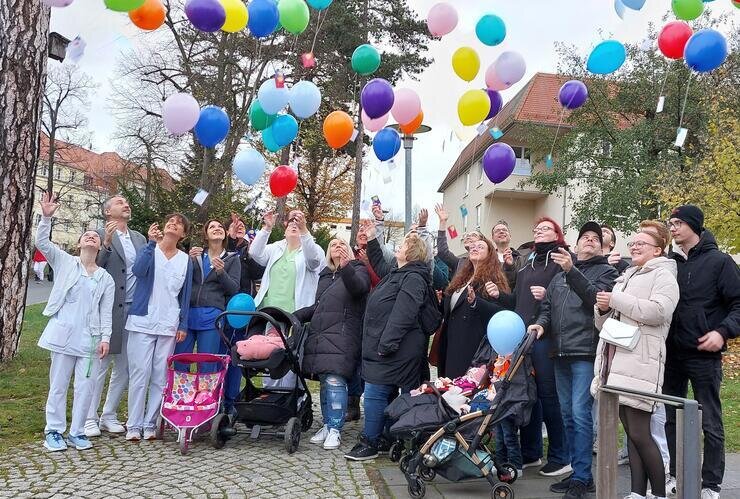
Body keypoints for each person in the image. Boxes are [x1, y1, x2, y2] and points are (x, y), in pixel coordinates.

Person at [529, 222, 618, 498]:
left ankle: (582, 478)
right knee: (568, 415)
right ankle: (580, 473)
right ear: (576, 244)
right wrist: (541, 325)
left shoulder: (608, 271)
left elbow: (596, 300)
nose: (589, 241)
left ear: (602, 247)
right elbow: (548, 307)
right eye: (585, 237)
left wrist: (571, 269)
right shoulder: (559, 276)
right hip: (560, 353)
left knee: (580, 416)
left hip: (585, 353)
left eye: (595, 238)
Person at [592, 222, 679, 499]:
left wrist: (616, 300)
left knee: (641, 432)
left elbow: (659, 312)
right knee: (631, 432)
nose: (634, 246)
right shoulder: (627, 275)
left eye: (642, 242)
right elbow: (606, 323)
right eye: (633, 242)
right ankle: (637, 493)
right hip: (618, 360)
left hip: (642, 361)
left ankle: (659, 492)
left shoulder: (664, 275)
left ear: (658, 249)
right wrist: (602, 309)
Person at [663, 205, 739, 499]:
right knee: (672, 419)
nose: (673, 227)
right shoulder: (669, 263)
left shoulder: (720, 262)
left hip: (704, 356)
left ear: (694, 225)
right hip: (671, 353)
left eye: (678, 222)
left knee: (710, 420)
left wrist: (722, 332)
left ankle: (711, 485)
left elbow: (738, 304)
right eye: (670, 223)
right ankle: (675, 476)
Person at [344, 231, 441, 461]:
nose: (399, 246)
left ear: (413, 252)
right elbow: (378, 262)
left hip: (397, 349)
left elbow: (404, 313)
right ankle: (387, 436)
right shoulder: (398, 273)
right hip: (389, 347)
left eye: (404, 243)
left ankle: (371, 441)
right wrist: (372, 238)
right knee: (382, 394)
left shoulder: (414, 277)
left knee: (376, 393)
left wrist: (386, 343)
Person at [35, 192, 115, 452]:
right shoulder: (65, 262)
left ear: (101, 246)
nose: (91, 237)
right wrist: (46, 218)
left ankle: (78, 431)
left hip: (90, 340)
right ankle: (54, 430)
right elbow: (42, 243)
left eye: (95, 236)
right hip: (63, 334)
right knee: (58, 385)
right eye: (86, 235)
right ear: (79, 244)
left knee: (86, 387)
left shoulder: (105, 278)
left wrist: (105, 339)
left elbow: (106, 312)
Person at [295, 238, 370, 450]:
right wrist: (293, 316)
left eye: (342, 244)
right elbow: (318, 307)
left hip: (344, 334)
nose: (338, 246)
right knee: (326, 381)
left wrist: (346, 267)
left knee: (336, 380)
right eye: (333, 244)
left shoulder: (358, 268)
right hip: (321, 333)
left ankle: (336, 429)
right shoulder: (325, 275)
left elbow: (359, 289)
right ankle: (328, 425)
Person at [125, 214, 193, 441]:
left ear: (183, 234)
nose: (173, 224)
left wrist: (183, 323)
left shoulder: (185, 260)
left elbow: (185, 295)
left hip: (168, 323)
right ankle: (133, 424)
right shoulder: (150, 249)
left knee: (160, 375)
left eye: (179, 223)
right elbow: (138, 270)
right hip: (143, 320)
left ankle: (150, 422)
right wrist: (150, 244)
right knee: (139, 373)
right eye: (170, 221)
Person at [85, 195, 146, 437]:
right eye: (120, 202)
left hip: (134, 310)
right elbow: (92, 266)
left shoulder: (139, 238)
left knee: (125, 367)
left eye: (127, 202)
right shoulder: (98, 234)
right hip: (108, 309)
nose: (126, 204)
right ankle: (89, 416)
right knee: (101, 363)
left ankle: (108, 415)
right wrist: (107, 243)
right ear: (108, 211)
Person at [515, 217, 571, 477]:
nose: (539, 230)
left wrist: (547, 294)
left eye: (546, 228)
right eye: (536, 228)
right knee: (527, 396)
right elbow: (516, 302)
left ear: (557, 234)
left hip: (547, 337)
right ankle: (531, 453)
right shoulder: (527, 264)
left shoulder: (562, 260)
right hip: (523, 336)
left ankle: (561, 456)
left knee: (549, 397)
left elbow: (571, 297)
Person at [249, 209, 325, 388]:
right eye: (291, 220)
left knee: (291, 360)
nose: (294, 223)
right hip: (272, 313)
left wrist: (304, 232)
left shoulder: (311, 248)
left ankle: (291, 401)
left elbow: (314, 262)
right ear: (284, 226)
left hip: (295, 315)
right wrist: (266, 228)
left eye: (298, 220)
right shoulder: (276, 247)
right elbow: (255, 253)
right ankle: (272, 399)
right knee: (271, 354)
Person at [436, 236, 512, 379]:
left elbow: (501, 313)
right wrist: (441, 302)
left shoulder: (494, 279)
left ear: (490, 255)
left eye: (480, 246)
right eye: (473, 246)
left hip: (472, 345)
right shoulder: (462, 278)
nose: (474, 248)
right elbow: (453, 310)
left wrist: (477, 303)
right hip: (451, 340)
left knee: (464, 388)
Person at [176, 219, 241, 372]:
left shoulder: (232, 259)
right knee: (180, 361)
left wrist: (221, 272)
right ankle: (181, 395)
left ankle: (205, 396)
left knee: (207, 364)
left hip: (212, 316)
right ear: (206, 234)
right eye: (212, 226)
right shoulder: (196, 255)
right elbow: (182, 281)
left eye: (220, 227)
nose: (217, 228)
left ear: (225, 234)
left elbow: (233, 289)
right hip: (187, 315)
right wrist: (189, 261)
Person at [222, 214, 264, 416]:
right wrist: (231, 240)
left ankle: (231, 400)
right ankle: (217, 397)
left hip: (242, 312)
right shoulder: (225, 250)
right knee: (221, 355)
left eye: (242, 227)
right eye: (234, 226)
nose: (239, 229)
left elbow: (259, 272)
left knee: (237, 355)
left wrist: (248, 251)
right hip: (223, 310)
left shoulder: (249, 253)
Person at [434, 203, 483, 275]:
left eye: (474, 235)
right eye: (467, 235)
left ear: (483, 242)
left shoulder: (489, 263)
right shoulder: (459, 263)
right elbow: (442, 251)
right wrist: (443, 222)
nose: (468, 237)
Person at [491, 220, 524, 291]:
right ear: (492, 238)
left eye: (504, 230)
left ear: (510, 236)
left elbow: (521, 282)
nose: (501, 232)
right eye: (497, 231)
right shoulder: (488, 258)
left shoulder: (521, 259)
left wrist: (510, 266)